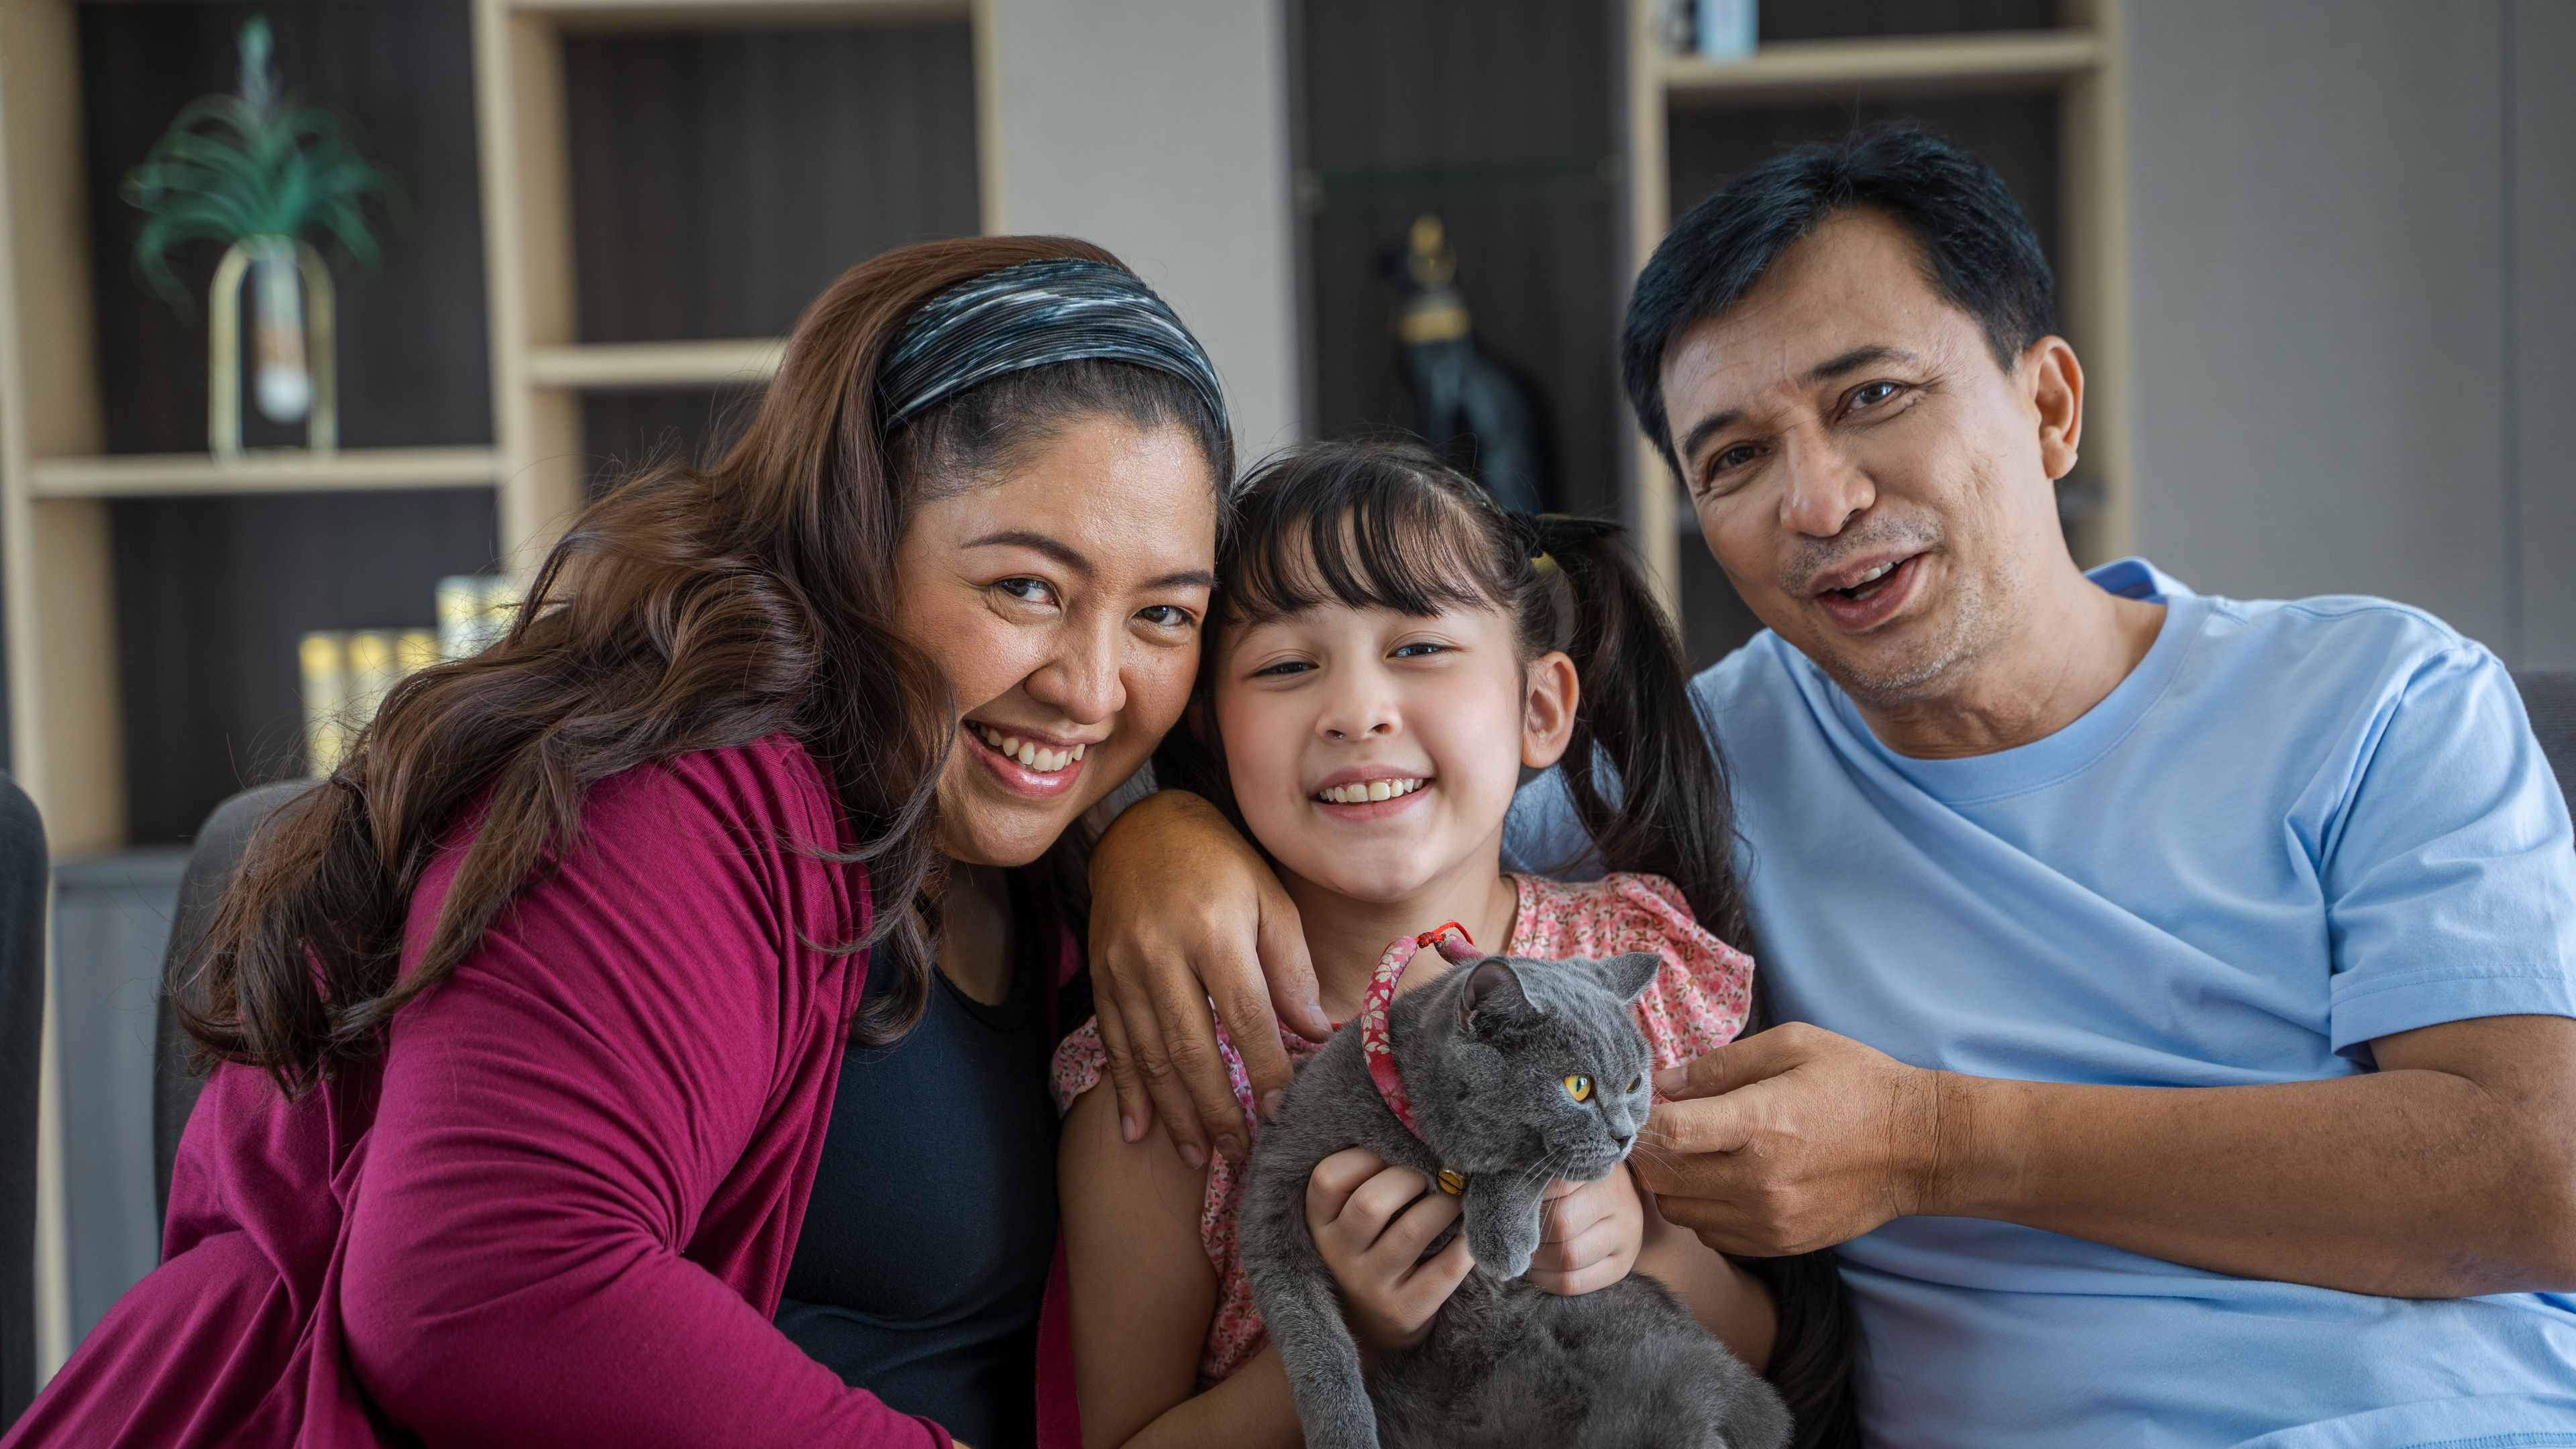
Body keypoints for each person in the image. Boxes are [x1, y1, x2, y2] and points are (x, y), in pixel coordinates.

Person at [1079, 127, 2576, 1446]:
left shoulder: (2380, 696)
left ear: (2050, 405)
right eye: (1734, 458)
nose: (1818, 500)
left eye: (1872, 398)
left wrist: (1934, 1142)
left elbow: (2538, 1176)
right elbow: (1399, 820)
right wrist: (1158, 837)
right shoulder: (1676, 783)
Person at [5, 237, 1237, 1449]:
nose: (1092, 684)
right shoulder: (681, 790)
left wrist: (1164, 835)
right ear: (855, 534)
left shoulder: (1043, 848)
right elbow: (486, 1285)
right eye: (1025, 588)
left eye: (1165, 614)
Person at [1051, 440, 1856, 1447]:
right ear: (1210, 727)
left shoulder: (1633, 970)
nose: (1356, 712)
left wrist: (1648, 1249)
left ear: (1540, 706)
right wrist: (1356, 1339)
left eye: (1420, 648)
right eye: (1289, 665)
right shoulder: (1175, 1070)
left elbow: (1763, 1341)